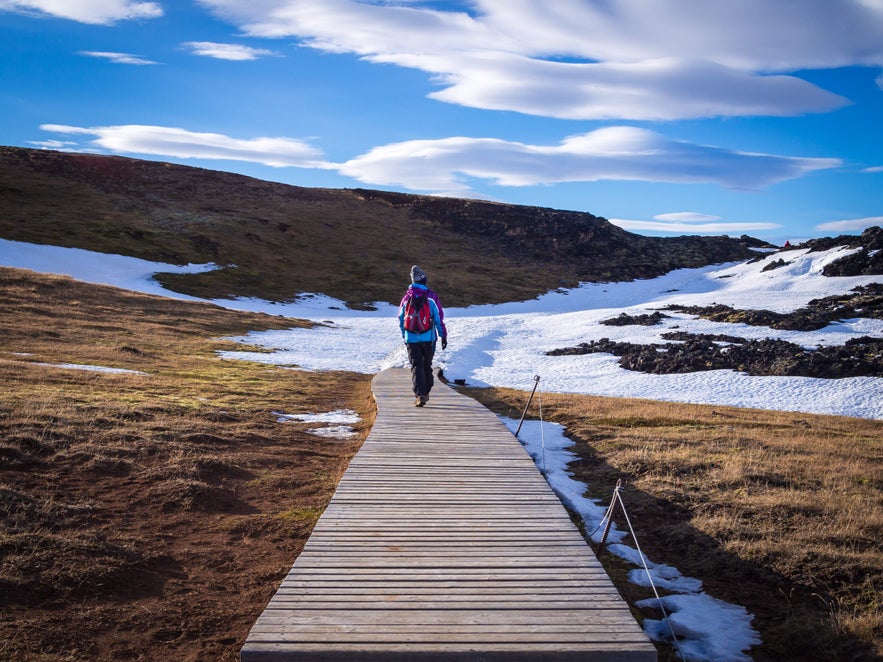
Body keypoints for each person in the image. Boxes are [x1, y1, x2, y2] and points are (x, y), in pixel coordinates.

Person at [398, 265, 447, 407]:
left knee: (416, 366)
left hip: (411, 338)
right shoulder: (431, 297)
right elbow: (438, 318)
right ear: (425, 281)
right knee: (426, 365)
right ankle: (425, 392)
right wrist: (443, 336)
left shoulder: (407, 298)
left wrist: (405, 336)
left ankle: (420, 394)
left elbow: (401, 319)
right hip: (429, 338)